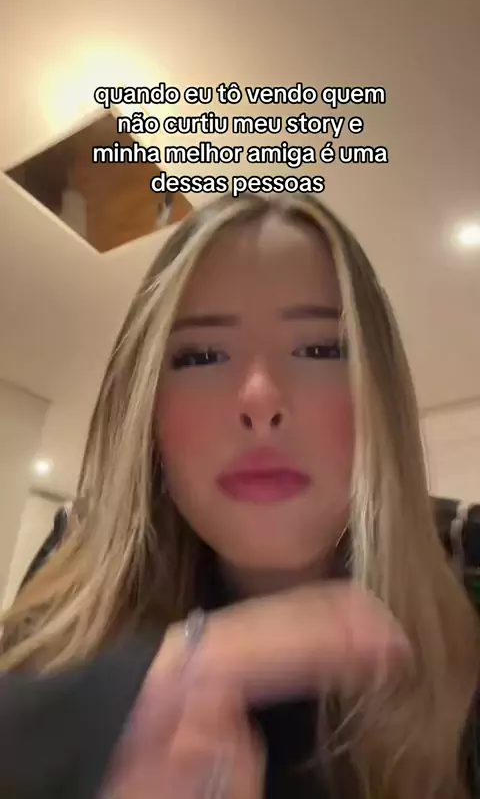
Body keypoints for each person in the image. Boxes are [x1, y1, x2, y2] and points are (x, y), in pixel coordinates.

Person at [0, 192, 478, 799]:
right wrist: (94, 722)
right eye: (201, 355)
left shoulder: (468, 556)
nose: (260, 401)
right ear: (147, 410)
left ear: (379, 394)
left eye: (321, 349)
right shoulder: (78, 556)